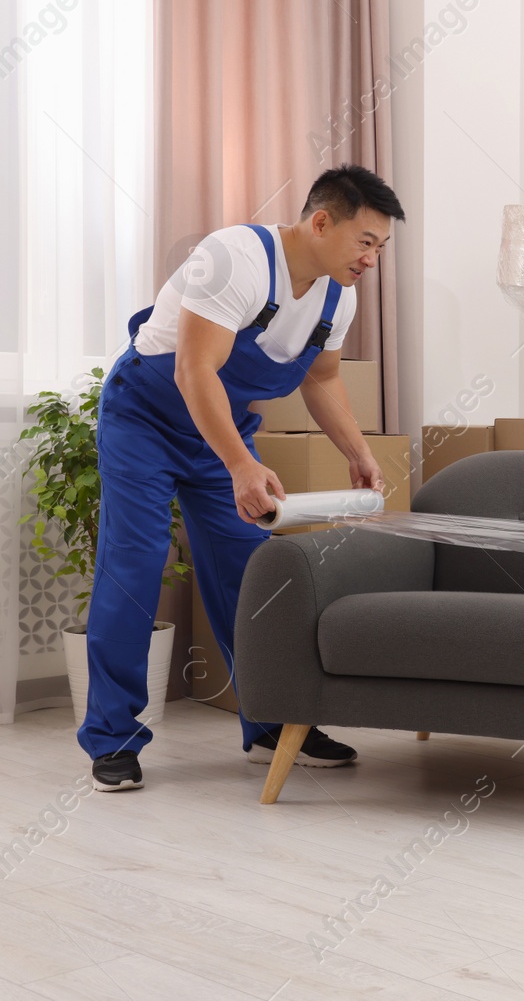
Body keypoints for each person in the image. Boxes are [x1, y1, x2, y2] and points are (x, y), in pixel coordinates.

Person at [82, 164, 404, 792]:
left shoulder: (339, 294)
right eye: (366, 242)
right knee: (134, 565)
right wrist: (240, 464)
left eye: (381, 248)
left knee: (252, 577)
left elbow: (323, 378)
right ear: (320, 221)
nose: (372, 259)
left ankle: (272, 727)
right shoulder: (235, 258)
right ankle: (113, 738)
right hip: (145, 418)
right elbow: (193, 371)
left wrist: (358, 451)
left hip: (221, 433)